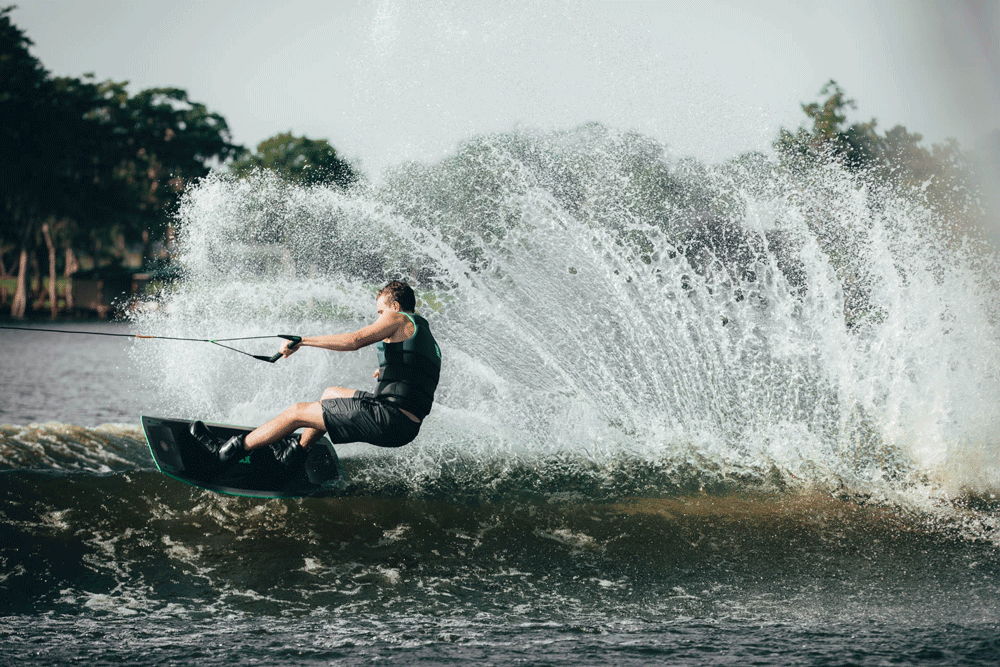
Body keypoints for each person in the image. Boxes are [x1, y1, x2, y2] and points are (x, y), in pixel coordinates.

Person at [191, 280, 441, 469]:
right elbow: (421, 376)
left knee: (297, 412)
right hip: (404, 423)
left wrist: (303, 341)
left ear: (394, 306)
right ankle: (293, 454)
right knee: (330, 394)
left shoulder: (398, 317)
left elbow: (354, 340)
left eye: (380, 313)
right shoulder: (424, 334)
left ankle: (225, 453)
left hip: (390, 419)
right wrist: (389, 371)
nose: (379, 319)